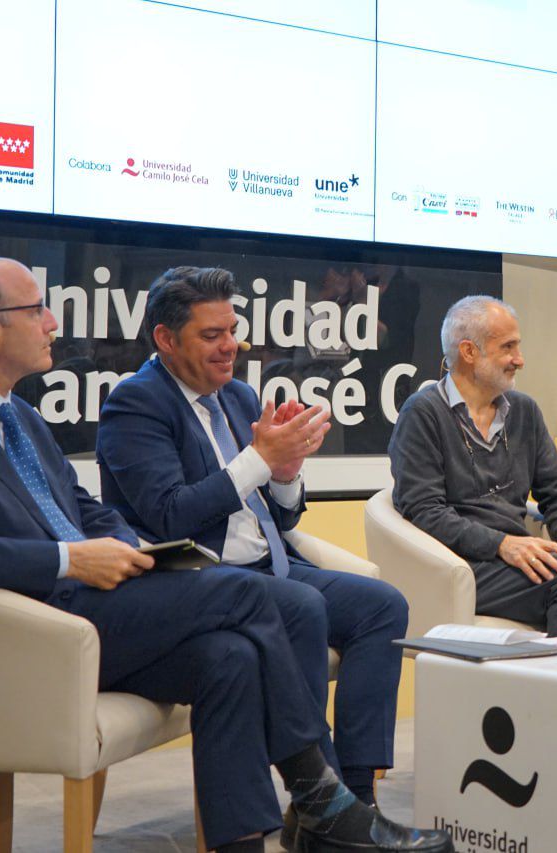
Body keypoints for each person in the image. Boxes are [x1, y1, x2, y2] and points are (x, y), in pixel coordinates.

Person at [0, 258, 451, 853]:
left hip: (97, 604)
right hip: (38, 627)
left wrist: (127, 548)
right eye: (35, 309)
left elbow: (83, 507)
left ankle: (253, 837)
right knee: (255, 594)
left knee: (229, 659)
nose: (51, 322)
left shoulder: (19, 415)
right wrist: (70, 561)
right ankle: (322, 801)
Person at [96, 265, 408, 811]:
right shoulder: (136, 404)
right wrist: (258, 460)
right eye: (211, 335)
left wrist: (284, 474)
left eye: (232, 331)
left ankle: (358, 797)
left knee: (382, 607)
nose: (230, 346)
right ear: (166, 340)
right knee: (303, 605)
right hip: (202, 579)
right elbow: (168, 515)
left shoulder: (238, 398)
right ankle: (319, 800)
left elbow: (280, 519)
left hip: (271, 562)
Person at [387, 295, 557, 637]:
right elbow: (425, 511)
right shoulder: (423, 413)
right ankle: (556, 689)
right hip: (461, 563)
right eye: (508, 348)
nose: (519, 360)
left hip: (516, 559)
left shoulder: (524, 411)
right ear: (469, 352)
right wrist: (501, 544)